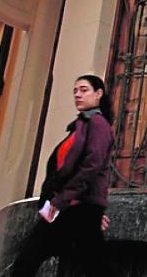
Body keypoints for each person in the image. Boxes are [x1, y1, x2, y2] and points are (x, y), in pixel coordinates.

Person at [10, 74, 115, 276]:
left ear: (98, 94)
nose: (77, 94)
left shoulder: (98, 124)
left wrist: (63, 200)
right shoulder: (81, 125)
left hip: (73, 206)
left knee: (28, 260)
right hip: (69, 206)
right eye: (75, 91)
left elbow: (92, 166)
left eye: (84, 90)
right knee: (93, 264)